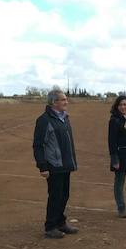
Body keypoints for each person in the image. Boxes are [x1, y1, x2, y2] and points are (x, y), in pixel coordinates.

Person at [32, 88, 79, 238]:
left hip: (66, 164)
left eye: (66, 99)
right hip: (53, 166)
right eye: (63, 100)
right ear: (54, 102)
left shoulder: (64, 117)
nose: (66, 102)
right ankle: (50, 226)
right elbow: (38, 145)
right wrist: (42, 166)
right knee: (55, 196)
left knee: (64, 195)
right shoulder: (44, 120)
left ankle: (60, 222)